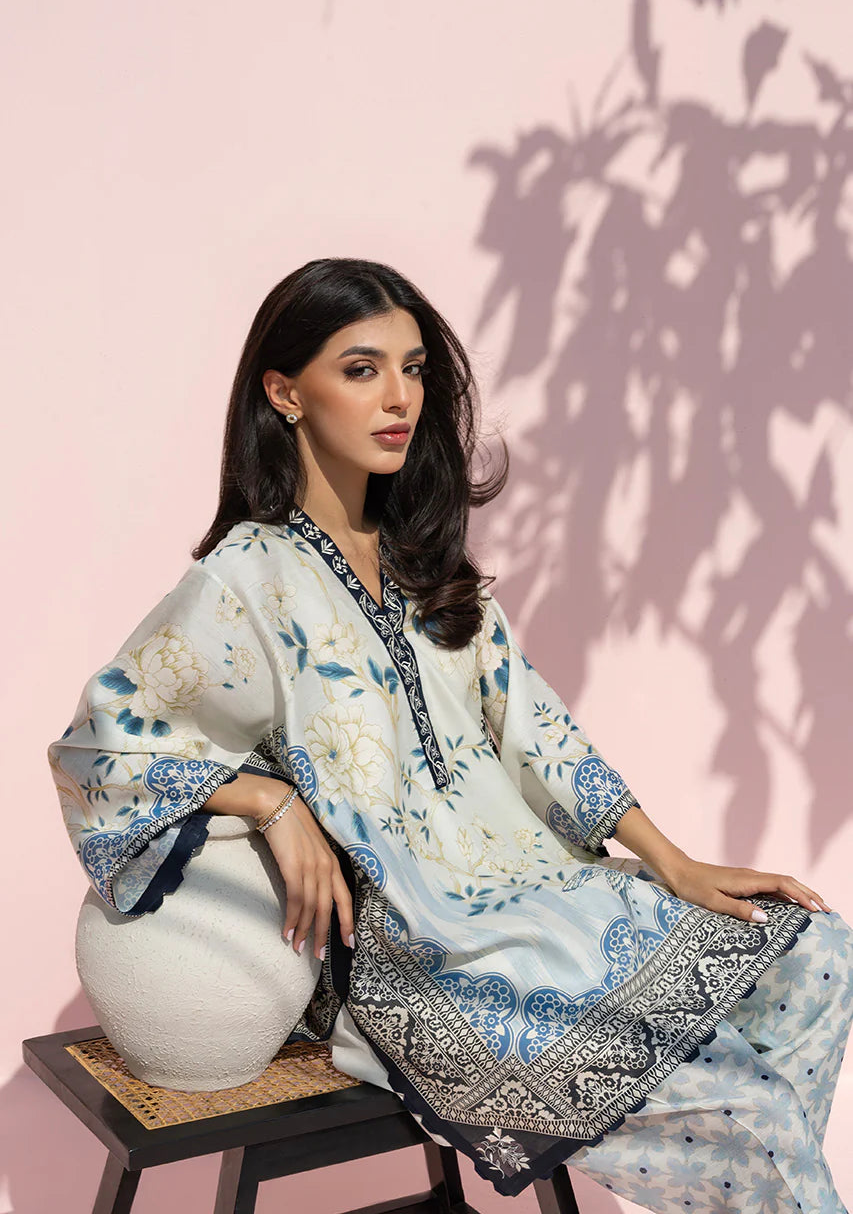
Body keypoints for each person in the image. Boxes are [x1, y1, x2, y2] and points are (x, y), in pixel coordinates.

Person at [48, 257, 853, 1209]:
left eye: (415, 369)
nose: (399, 398)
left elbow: (535, 728)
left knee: (818, 953)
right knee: (744, 1110)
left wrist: (673, 863)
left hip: (542, 895)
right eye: (361, 369)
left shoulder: (426, 565)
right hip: (423, 951)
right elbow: (103, 742)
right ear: (284, 392)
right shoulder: (245, 582)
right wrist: (266, 799)